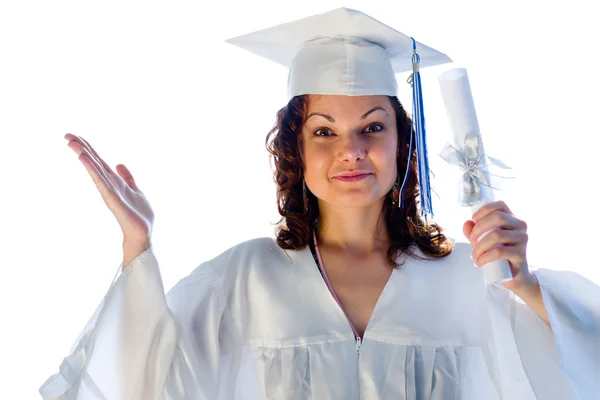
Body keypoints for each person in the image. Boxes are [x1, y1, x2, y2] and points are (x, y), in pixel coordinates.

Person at [40, 8, 599, 400]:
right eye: (324, 132)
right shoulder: (244, 277)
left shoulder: (468, 278)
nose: (351, 151)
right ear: (295, 151)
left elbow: (576, 369)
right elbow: (145, 381)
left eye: (372, 127)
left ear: (403, 142)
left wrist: (525, 285)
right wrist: (138, 246)